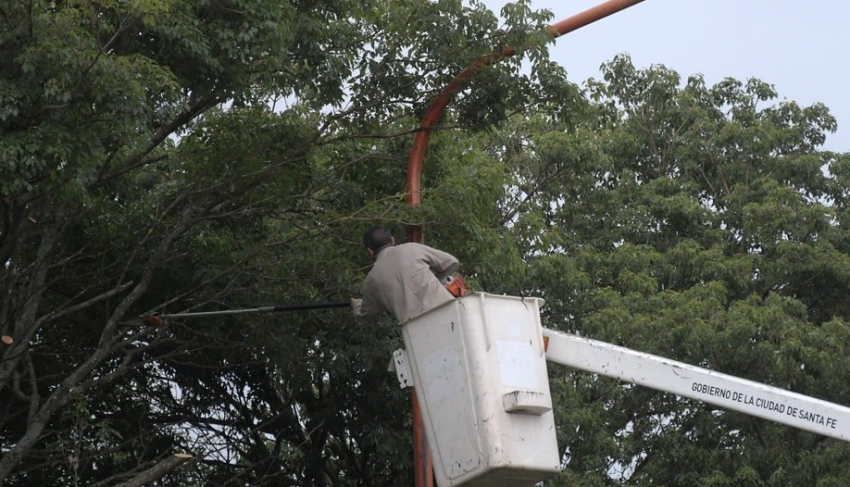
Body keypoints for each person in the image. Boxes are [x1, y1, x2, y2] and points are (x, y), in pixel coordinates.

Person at [351, 226, 460, 325]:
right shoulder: (412, 248)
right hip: (450, 312)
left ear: (370, 251)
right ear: (392, 240)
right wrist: (438, 281)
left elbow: (364, 318)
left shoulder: (371, 281)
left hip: (417, 329)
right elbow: (451, 262)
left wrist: (356, 305)